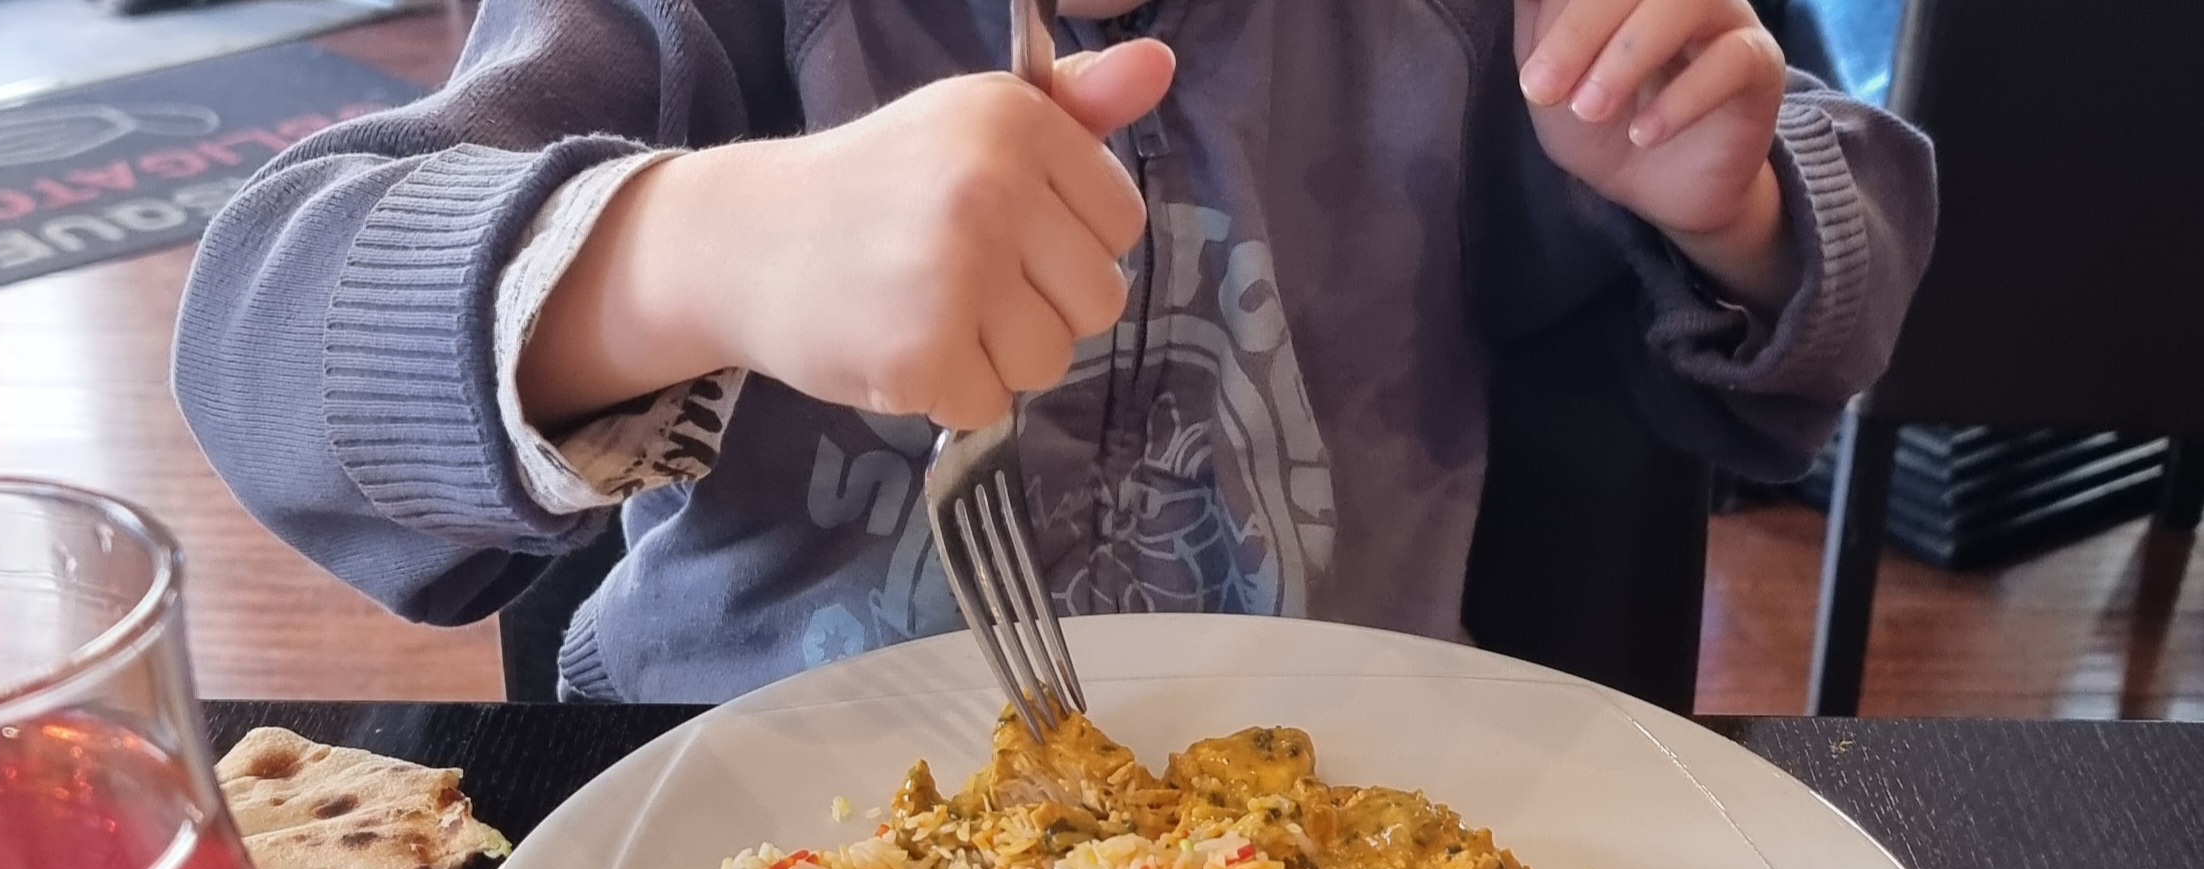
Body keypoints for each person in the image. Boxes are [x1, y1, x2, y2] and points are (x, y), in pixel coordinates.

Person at [173, 0, 1933, 704]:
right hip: (753, 818)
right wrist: (696, 246)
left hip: (1346, 815)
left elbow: (1839, 290)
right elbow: (265, 335)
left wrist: (1729, 201)